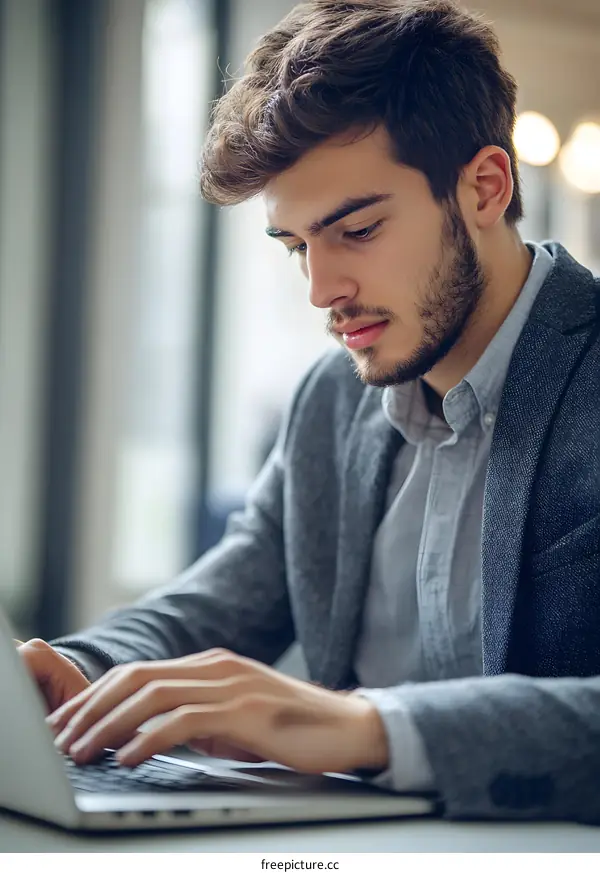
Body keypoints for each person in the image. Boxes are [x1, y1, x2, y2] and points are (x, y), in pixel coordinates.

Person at [19, 0, 600, 823]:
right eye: (296, 247)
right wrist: (79, 669)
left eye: (356, 230)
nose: (322, 292)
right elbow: (221, 600)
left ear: (484, 186)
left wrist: (367, 725)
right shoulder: (331, 400)